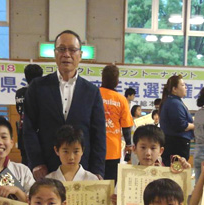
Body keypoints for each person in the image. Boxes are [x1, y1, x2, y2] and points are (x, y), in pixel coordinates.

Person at [23, 30, 106, 180]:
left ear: (80, 55)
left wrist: (97, 170)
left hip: (82, 168)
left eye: (72, 50)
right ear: (55, 54)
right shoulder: (38, 87)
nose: (66, 54)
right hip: (46, 167)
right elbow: (29, 128)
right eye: (61, 49)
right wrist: (37, 162)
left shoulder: (92, 92)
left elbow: (99, 134)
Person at [116, 125, 189, 205]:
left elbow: (184, 204)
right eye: (143, 147)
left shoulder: (170, 177)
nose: (148, 153)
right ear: (134, 149)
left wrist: (184, 175)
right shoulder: (126, 177)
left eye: (153, 148)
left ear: (160, 151)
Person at [99, 65, 133, 182]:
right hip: (113, 150)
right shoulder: (121, 100)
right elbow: (126, 127)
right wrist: (128, 145)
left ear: (102, 78)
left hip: (94, 148)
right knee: (110, 185)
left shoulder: (94, 94)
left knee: (93, 184)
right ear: (117, 82)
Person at [159, 75, 194, 167]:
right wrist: (195, 125)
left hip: (175, 143)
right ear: (174, 89)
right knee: (176, 173)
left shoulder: (174, 101)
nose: (185, 87)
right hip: (176, 145)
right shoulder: (174, 103)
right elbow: (181, 125)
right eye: (182, 85)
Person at [15, 63, 43, 166]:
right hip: (38, 133)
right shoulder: (40, 93)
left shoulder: (19, 93)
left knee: (25, 162)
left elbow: (19, 110)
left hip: (23, 131)